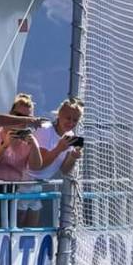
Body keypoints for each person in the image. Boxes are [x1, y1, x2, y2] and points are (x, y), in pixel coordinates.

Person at [0, 92, 43, 227]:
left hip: (15, 192)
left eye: (27, 117)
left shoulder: (29, 139)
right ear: (10, 113)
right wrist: (6, 145)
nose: (22, 120)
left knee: (17, 230)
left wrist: (35, 146)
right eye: (18, 115)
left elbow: (36, 167)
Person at [27, 96, 84, 224]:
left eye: (75, 120)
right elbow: (37, 166)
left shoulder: (71, 136)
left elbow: (64, 170)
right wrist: (59, 149)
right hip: (24, 181)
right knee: (19, 224)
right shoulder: (45, 130)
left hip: (39, 185)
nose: (71, 123)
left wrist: (73, 157)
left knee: (32, 226)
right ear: (59, 115)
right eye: (68, 118)